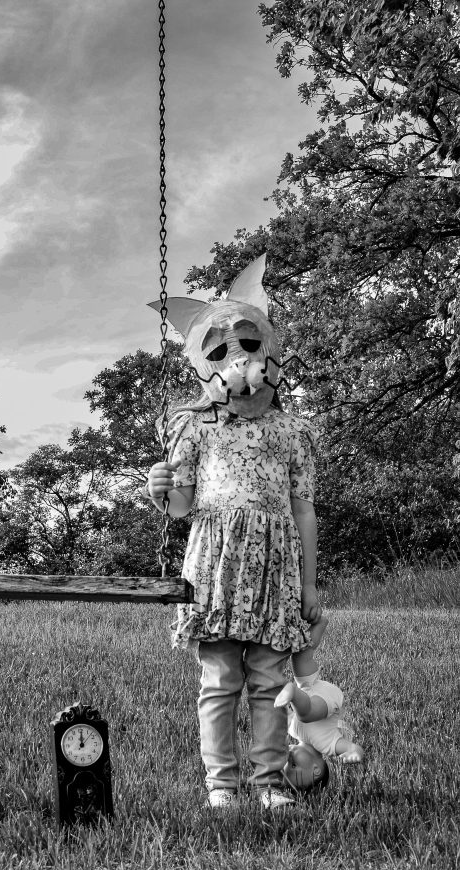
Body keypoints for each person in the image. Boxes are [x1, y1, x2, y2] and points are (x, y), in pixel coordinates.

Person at [146, 253, 321, 811]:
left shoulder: (291, 430)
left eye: (249, 345)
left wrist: (309, 585)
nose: (239, 361)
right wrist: (161, 490)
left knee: (270, 680)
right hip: (215, 562)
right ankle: (221, 784)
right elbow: (180, 507)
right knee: (220, 680)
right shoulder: (194, 425)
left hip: (274, 564)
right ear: (202, 363)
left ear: (270, 351)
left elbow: (304, 511)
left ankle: (268, 782)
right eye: (219, 350)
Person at [275, 616, 364, 763]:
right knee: (306, 715)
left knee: (300, 657)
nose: (288, 760)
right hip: (327, 700)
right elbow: (354, 749)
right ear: (315, 769)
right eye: (294, 766)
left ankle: (319, 624)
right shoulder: (328, 745)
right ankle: (293, 691)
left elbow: (280, 709)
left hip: (308, 688)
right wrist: (355, 754)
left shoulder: (294, 731)